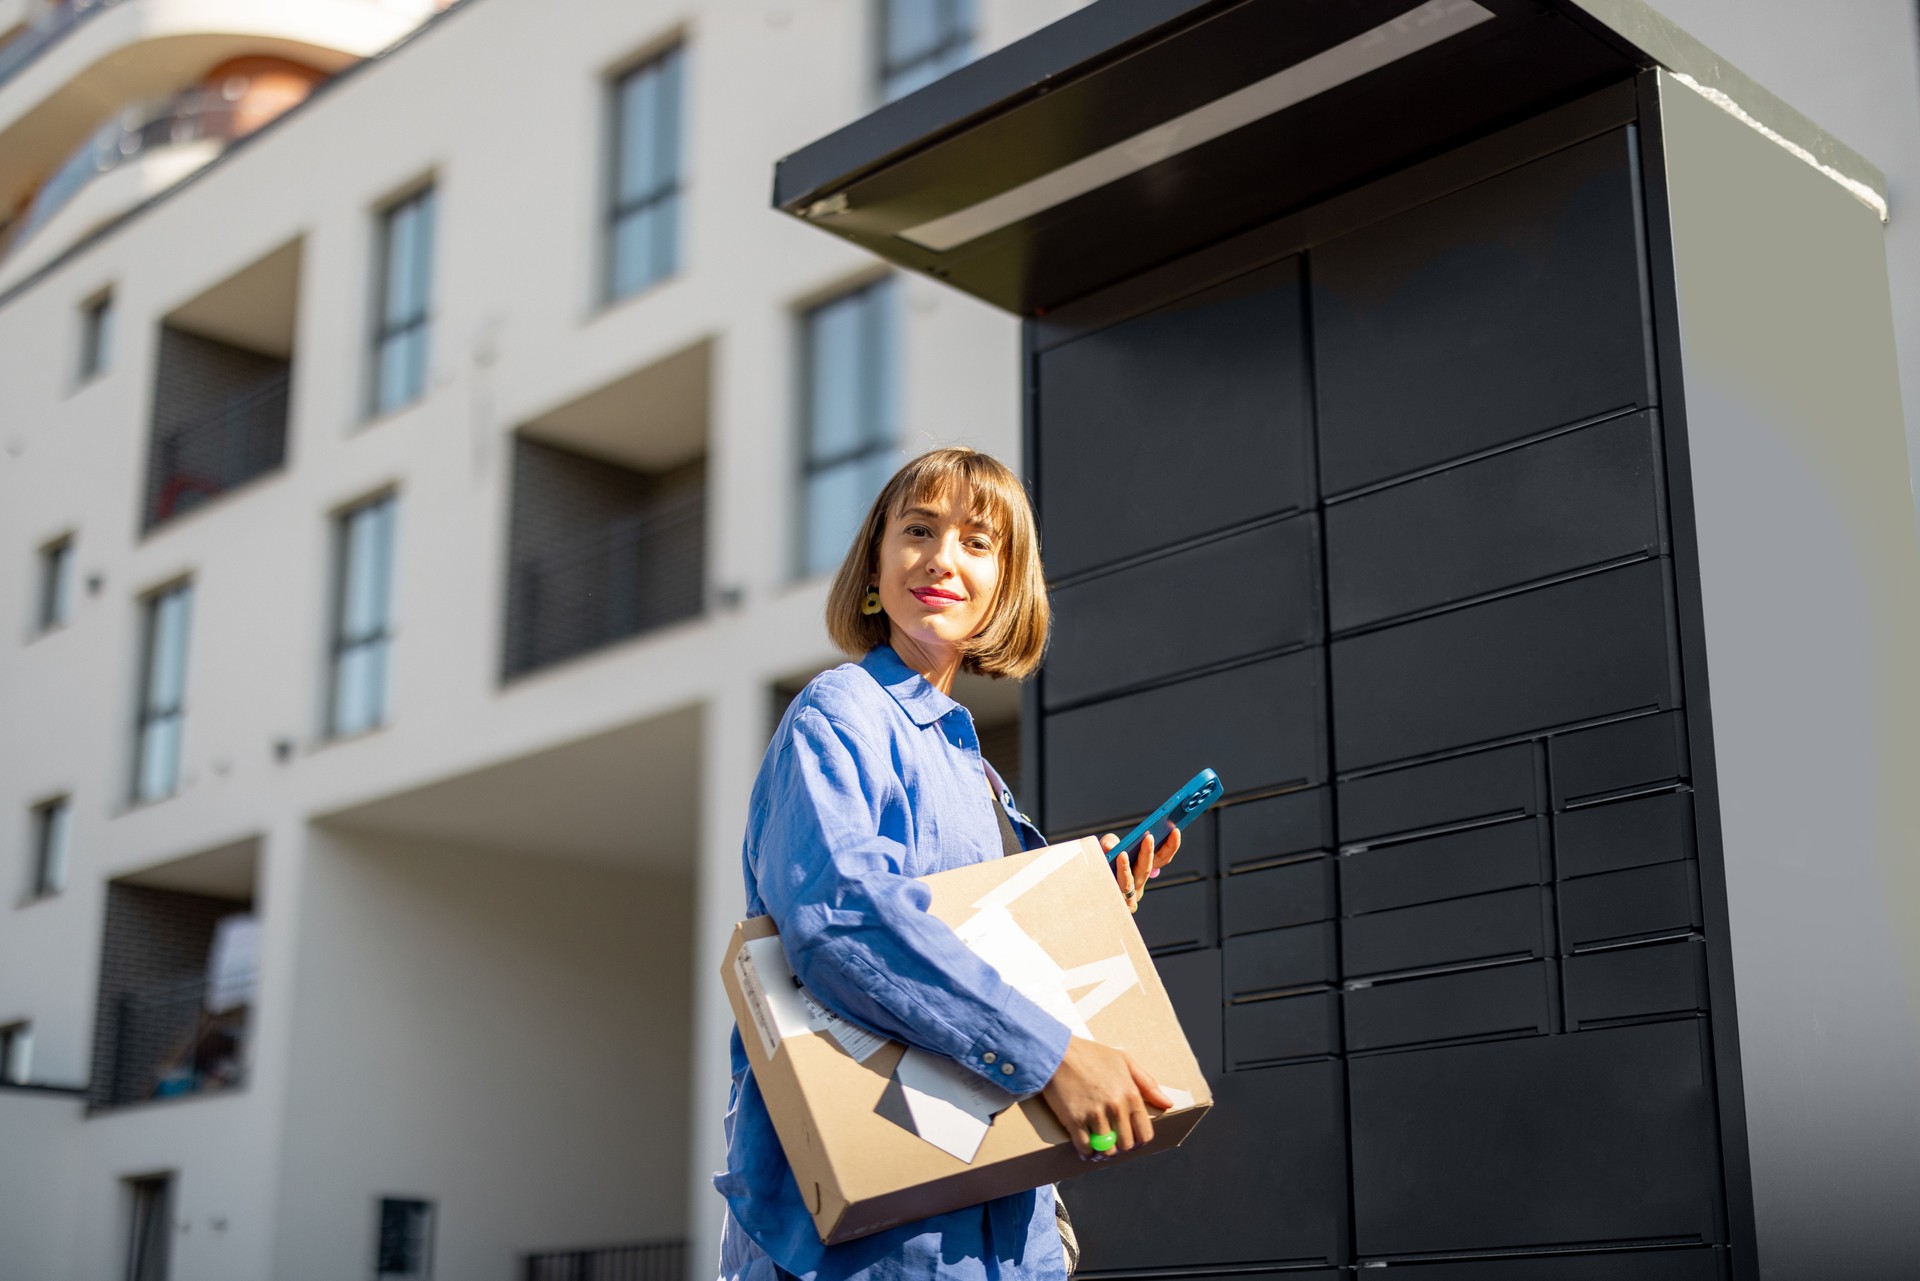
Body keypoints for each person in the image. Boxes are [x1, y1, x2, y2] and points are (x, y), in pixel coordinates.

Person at [715, 447, 1181, 1281]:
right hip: (865, 1248)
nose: (941, 558)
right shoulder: (841, 711)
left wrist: (1084, 910)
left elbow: (980, 943)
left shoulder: (981, 774)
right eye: (919, 531)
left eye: (977, 542)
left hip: (1007, 1235)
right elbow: (843, 922)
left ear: (1006, 585)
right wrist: (1051, 1055)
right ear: (874, 567)